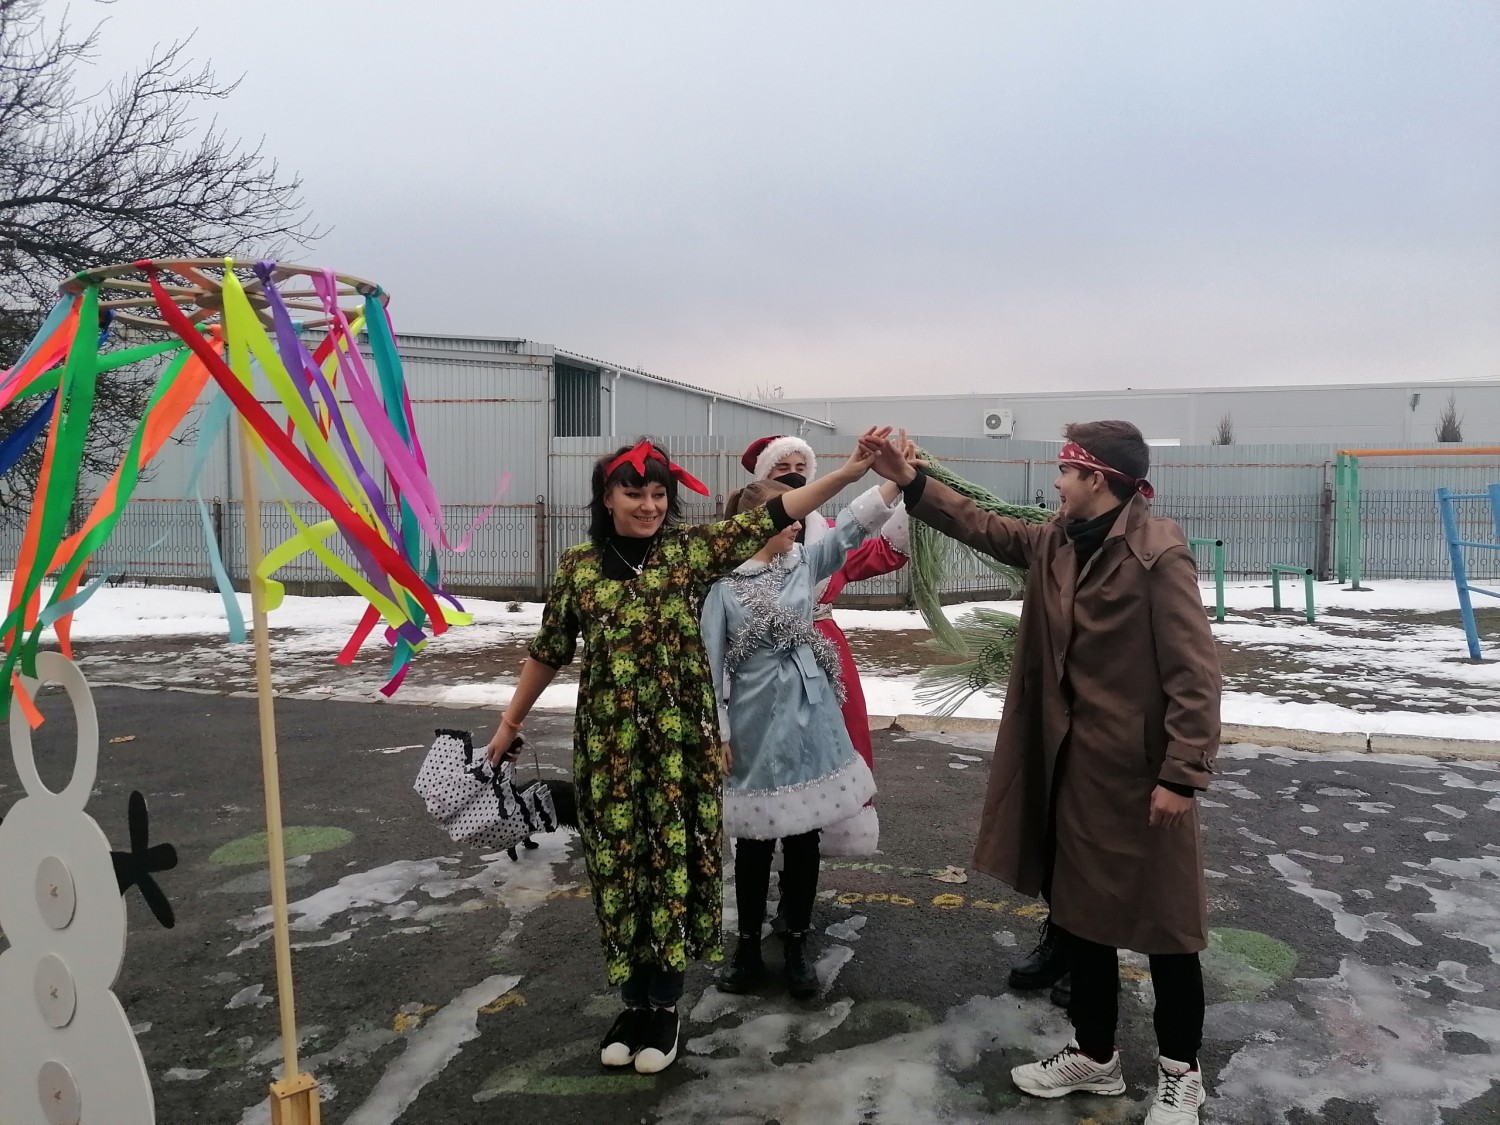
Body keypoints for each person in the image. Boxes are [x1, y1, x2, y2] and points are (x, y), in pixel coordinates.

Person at [485, 432, 888, 1076]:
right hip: (609, 750)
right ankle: (632, 1003)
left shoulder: (689, 553)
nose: (648, 505)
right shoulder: (578, 567)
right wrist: (510, 722)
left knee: (671, 870)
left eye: (658, 494)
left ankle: (665, 1006)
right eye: (633, 494)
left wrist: (848, 472)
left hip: (680, 749)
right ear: (606, 498)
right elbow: (548, 650)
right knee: (618, 873)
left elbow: (775, 514)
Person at [859, 420, 1220, 1125]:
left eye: (1065, 470)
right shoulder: (1058, 539)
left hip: (1140, 774)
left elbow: (1194, 673)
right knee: (1081, 918)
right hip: (1070, 766)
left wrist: (1183, 774)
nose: (1055, 482)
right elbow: (984, 527)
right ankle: (1096, 1055)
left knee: (1168, 928)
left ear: (1097, 479)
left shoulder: (1157, 554)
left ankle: (1182, 1073)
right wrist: (911, 481)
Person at [701, 473, 901, 997]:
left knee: (804, 835)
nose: (797, 524)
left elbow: (852, 528)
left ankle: (795, 944)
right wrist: (720, 731)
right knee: (753, 841)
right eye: (786, 516)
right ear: (756, 525)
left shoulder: (804, 563)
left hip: (810, 717)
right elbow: (711, 665)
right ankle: (747, 949)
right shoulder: (723, 586)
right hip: (752, 723)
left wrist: (894, 482)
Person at [739, 434, 911, 855]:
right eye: (782, 468)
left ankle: (832, 825)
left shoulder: (824, 539)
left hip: (823, 649)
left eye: (801, 468)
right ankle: (760, 827)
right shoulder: (734, 546)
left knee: (836, 733)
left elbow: (878, 548)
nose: (794, 475)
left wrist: (904, 485)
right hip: (759, 655)